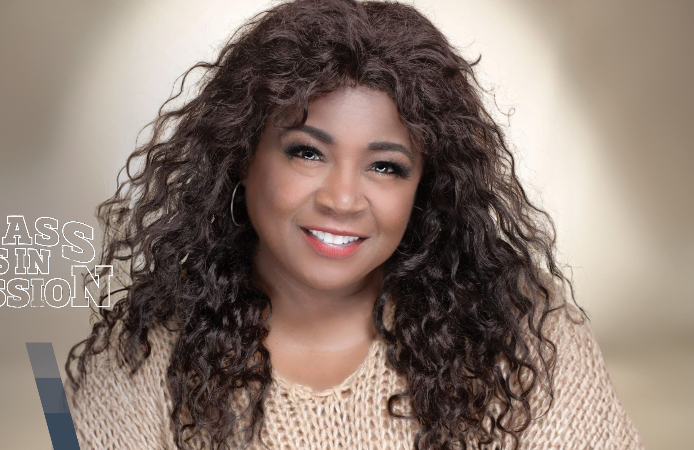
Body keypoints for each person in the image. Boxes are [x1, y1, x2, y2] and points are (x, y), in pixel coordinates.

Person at [64, 0, 645, 448]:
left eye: (385, 166)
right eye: (307, 152)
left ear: (425, 187)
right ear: (240, 156)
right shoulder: (139, 364)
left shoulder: (524, 338)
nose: (343, 200)